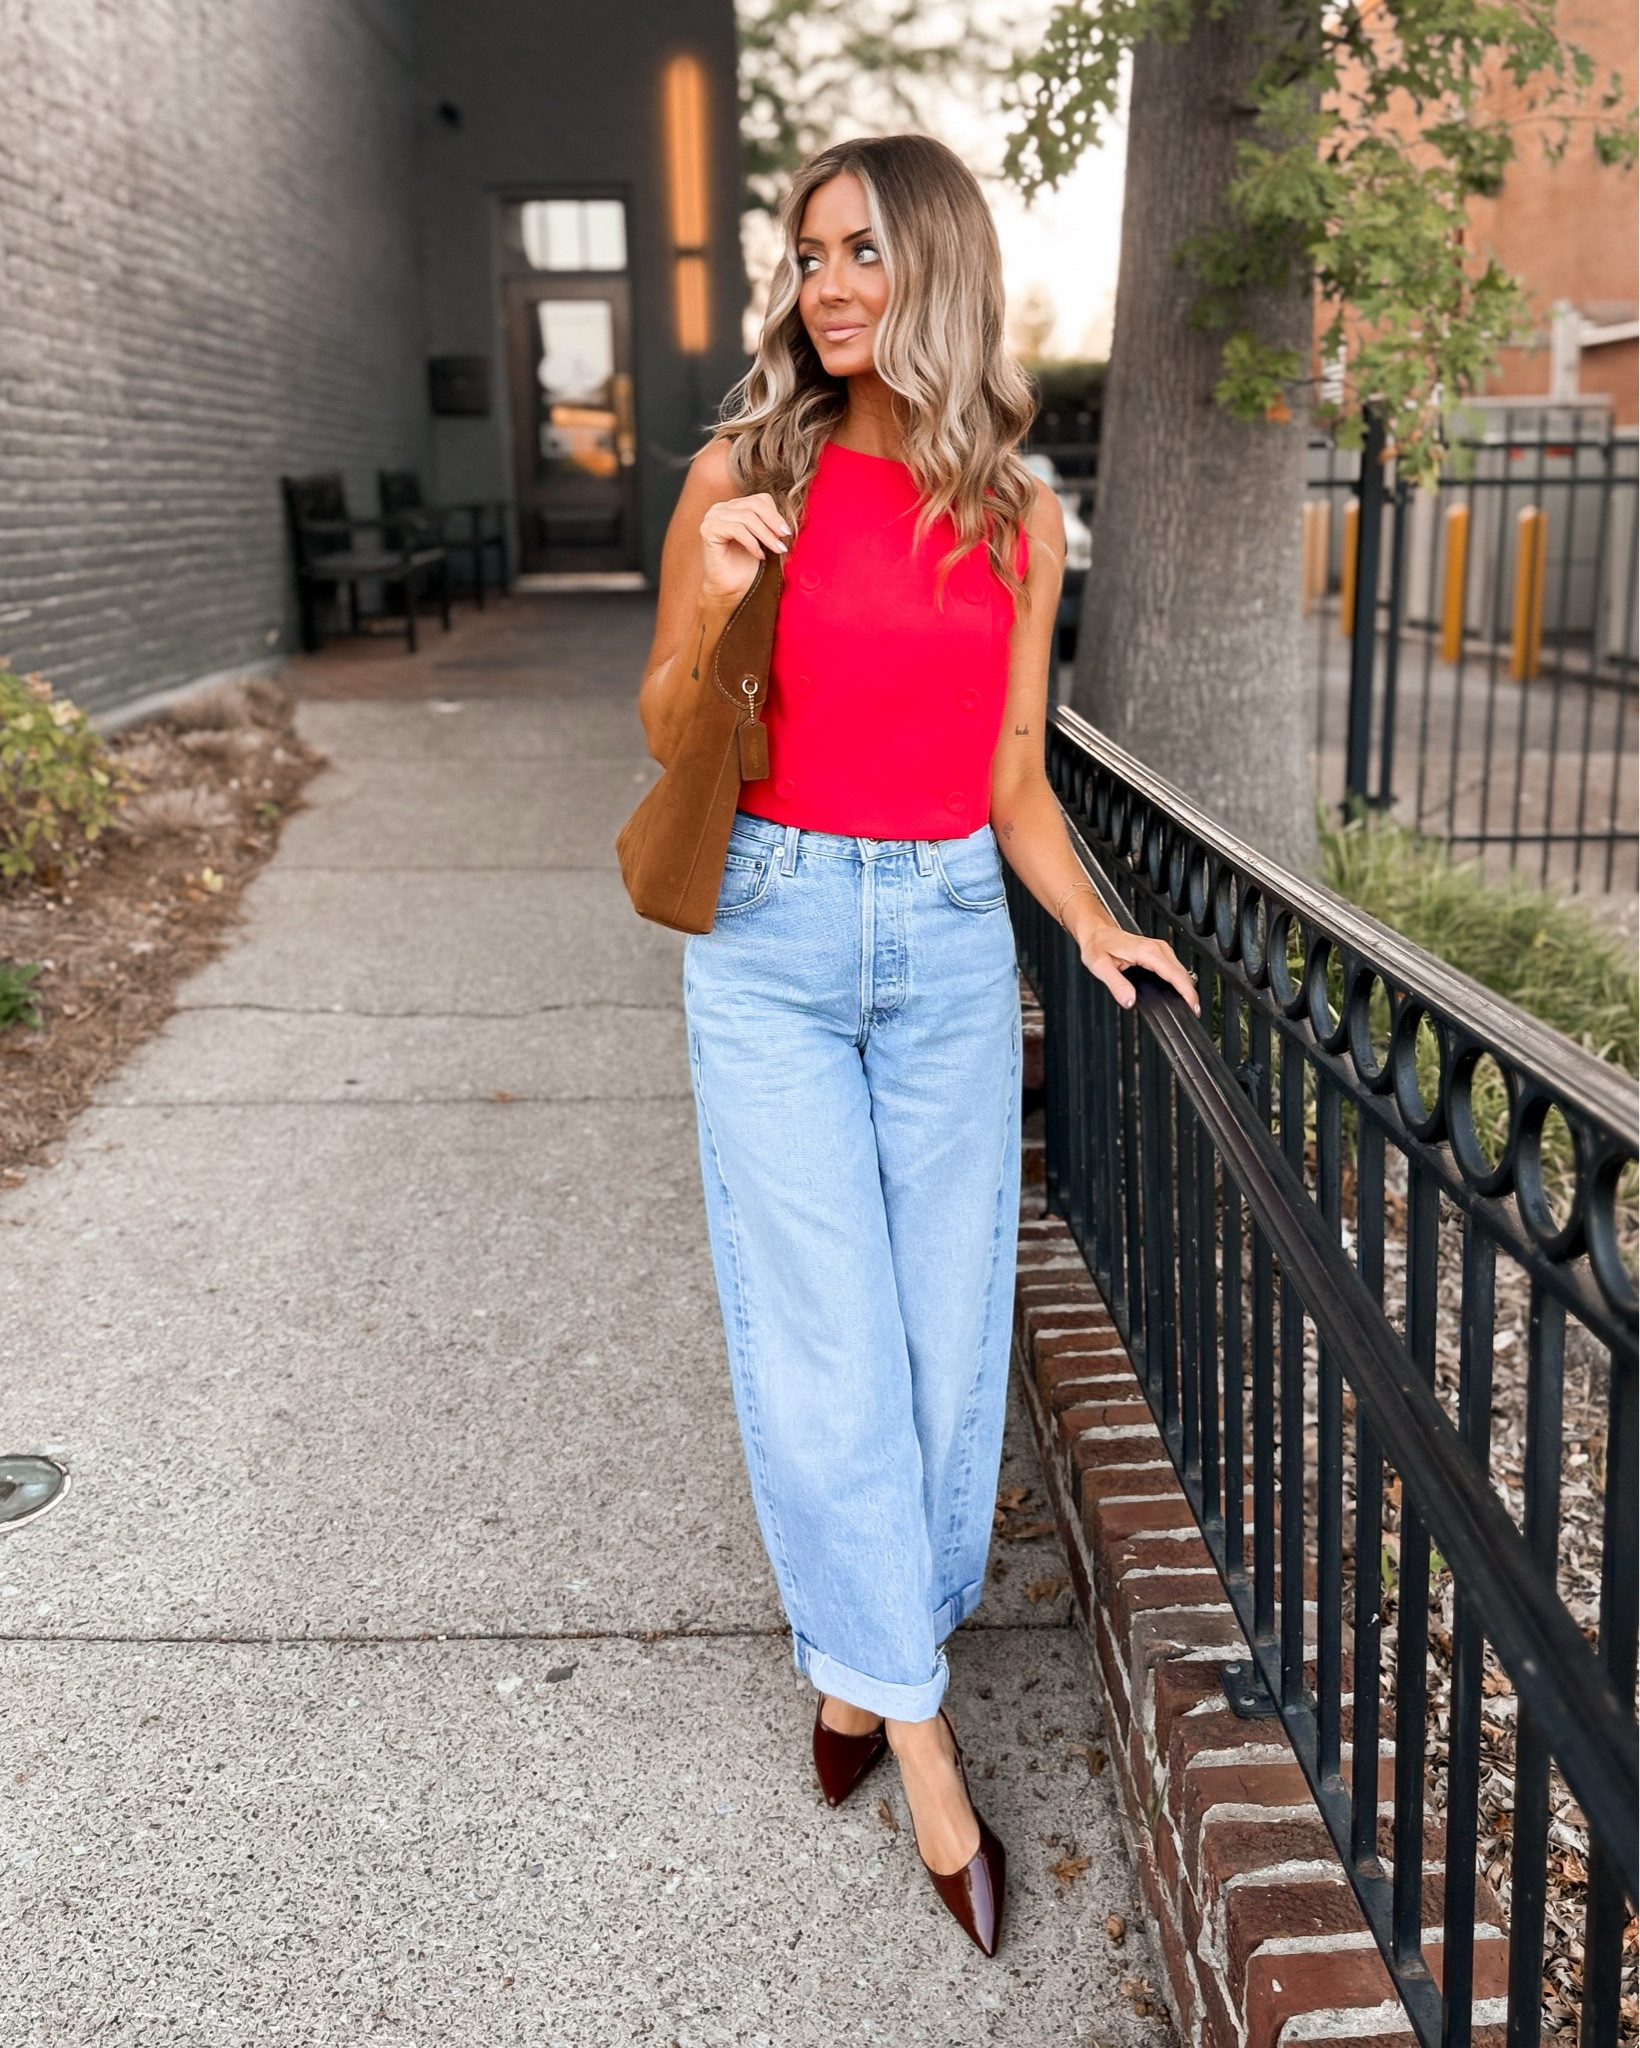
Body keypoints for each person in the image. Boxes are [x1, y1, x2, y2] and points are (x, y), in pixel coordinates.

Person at [638, 133, 1198, 1957]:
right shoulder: (749, 470)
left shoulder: (1019, 516)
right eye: (809, 257)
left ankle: (854, 1669)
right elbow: (665, 725)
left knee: (949, 1349)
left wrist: (1094, 919)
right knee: (823, 1339)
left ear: (941, 264)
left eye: (864, 250)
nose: (831, 286)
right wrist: (724, 586)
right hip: (777, 941)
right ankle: (926, 1734)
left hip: (953, 940)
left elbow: (1014, 778)